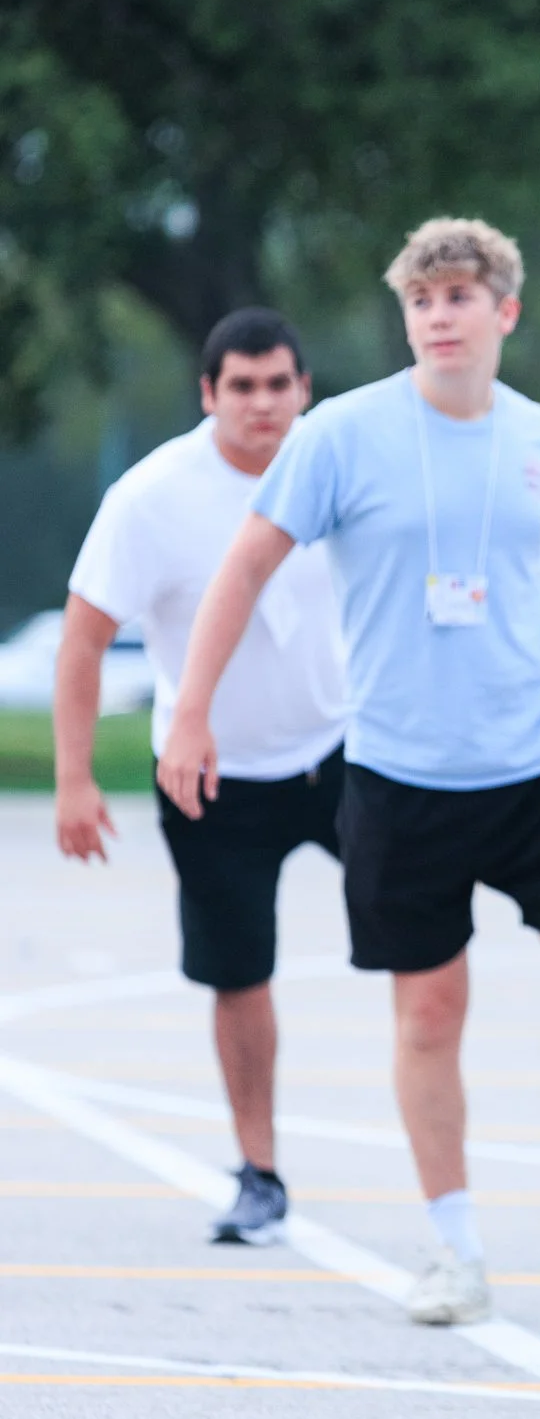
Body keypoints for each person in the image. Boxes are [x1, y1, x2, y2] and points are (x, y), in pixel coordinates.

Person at [157, 218, 540, 1327]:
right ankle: (454, 1248)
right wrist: (192, 711)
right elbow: (243, 568)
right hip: (405, 774)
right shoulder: (341, 435)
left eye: (460, 297)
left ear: (504, 312)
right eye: (422, 300)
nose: (439, 316)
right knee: (427, 1013)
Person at [55, 309, 346, 1244]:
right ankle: (259, 1174)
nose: (263, 404)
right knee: (237, 975)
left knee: (423, 938)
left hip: (347, 750)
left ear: (305, 390)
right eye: (242, 387)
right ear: (209, 394)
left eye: (279, 385)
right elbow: (83, 640)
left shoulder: (343, 464)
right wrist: (74, 779)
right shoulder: (151, 497)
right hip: (214, 773)